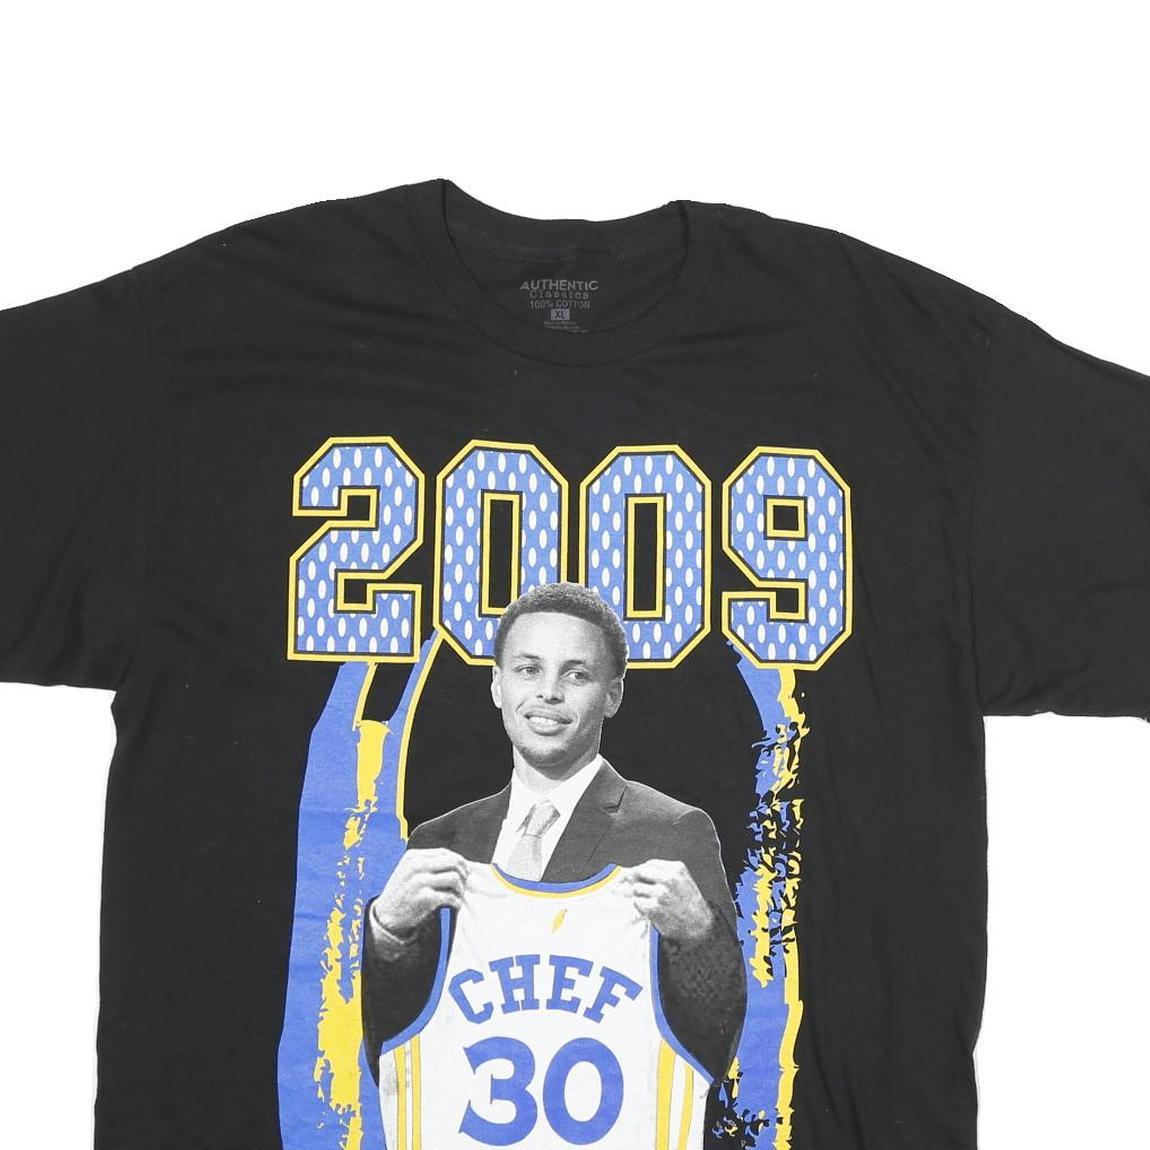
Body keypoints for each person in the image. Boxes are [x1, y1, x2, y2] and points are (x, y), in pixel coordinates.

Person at [360, 581, 747, 1086]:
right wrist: (387, 934)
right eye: (529, 669)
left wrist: (698, 937)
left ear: (612, 695)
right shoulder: (440, 840)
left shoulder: (671, 830)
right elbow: (391, 1055)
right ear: (497, 685)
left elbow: (716, 1048)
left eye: (576, 674)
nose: (549, 692)